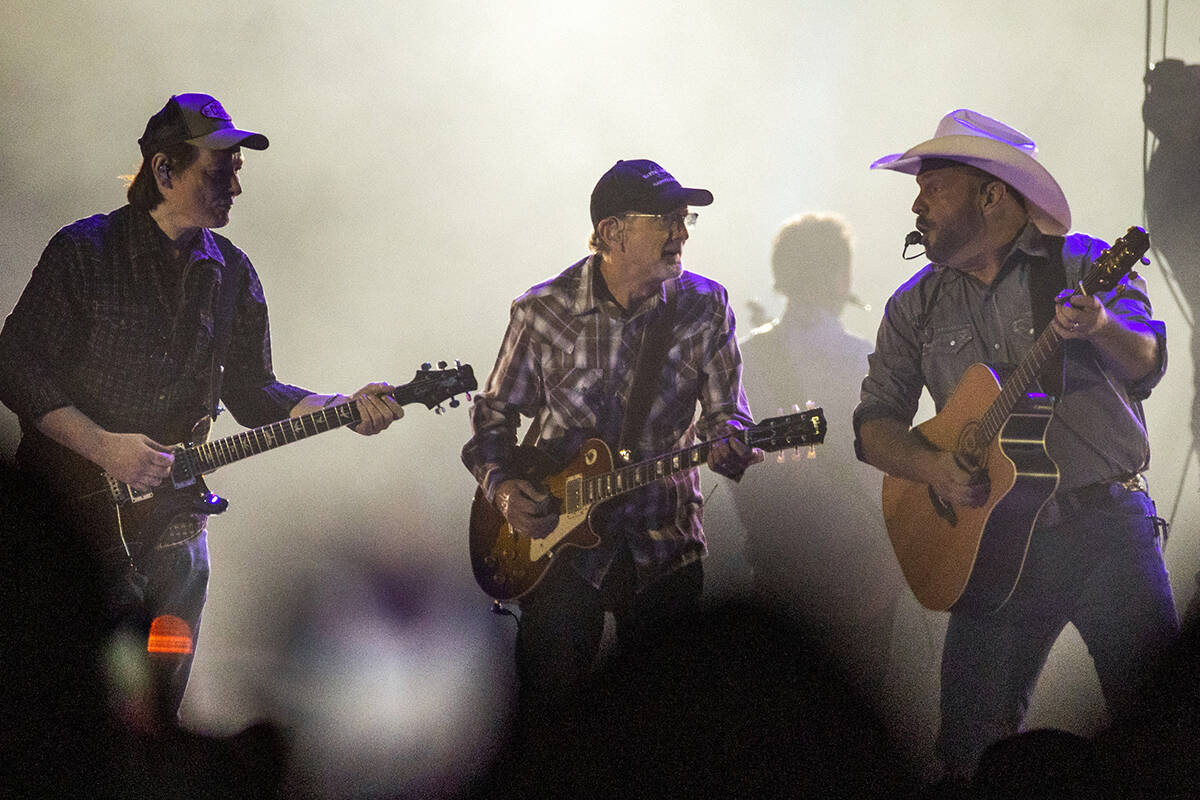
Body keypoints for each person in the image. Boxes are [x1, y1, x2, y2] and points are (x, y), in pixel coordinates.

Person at [0, 92, 403, 720]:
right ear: (164, 172)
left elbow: (254, 392)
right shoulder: (84, 252)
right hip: (71, 520)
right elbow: (15, 365)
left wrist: (342, 406)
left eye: (238, 169)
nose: (236, 185)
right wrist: (105, 447)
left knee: (158, 706)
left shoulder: (233, 275)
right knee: (64, 697)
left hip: (175, 530)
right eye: (221, 170)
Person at [852, 109, 1180, 781]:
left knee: (1166, 731)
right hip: (990, 554)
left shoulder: (1084, 263)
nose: (916, 203)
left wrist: (1100, 325)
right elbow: (872, 427)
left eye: (933, 185)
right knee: (969, 751)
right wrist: (933, 468)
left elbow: (1146, 361)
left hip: (1105, 535)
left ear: (992, 194)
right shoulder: (913, 305)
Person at [461, 159, 762, 704]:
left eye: (685, 218)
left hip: (664, 543)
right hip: (558, 552)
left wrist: (732, 444)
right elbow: (491, 420)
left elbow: (726, 418)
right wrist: (504, 492)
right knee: (549, 720)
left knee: (662, 729)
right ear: (610, 233)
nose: (682, 233)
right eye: (666, 220)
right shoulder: (542, 310)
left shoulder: (705, 304)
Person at [731, 213, 907, 702]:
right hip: (866, 572)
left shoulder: (746, 357)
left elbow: (736, 471)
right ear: (841, 278)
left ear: (781, 275)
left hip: (778, 568)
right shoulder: (869, 359)